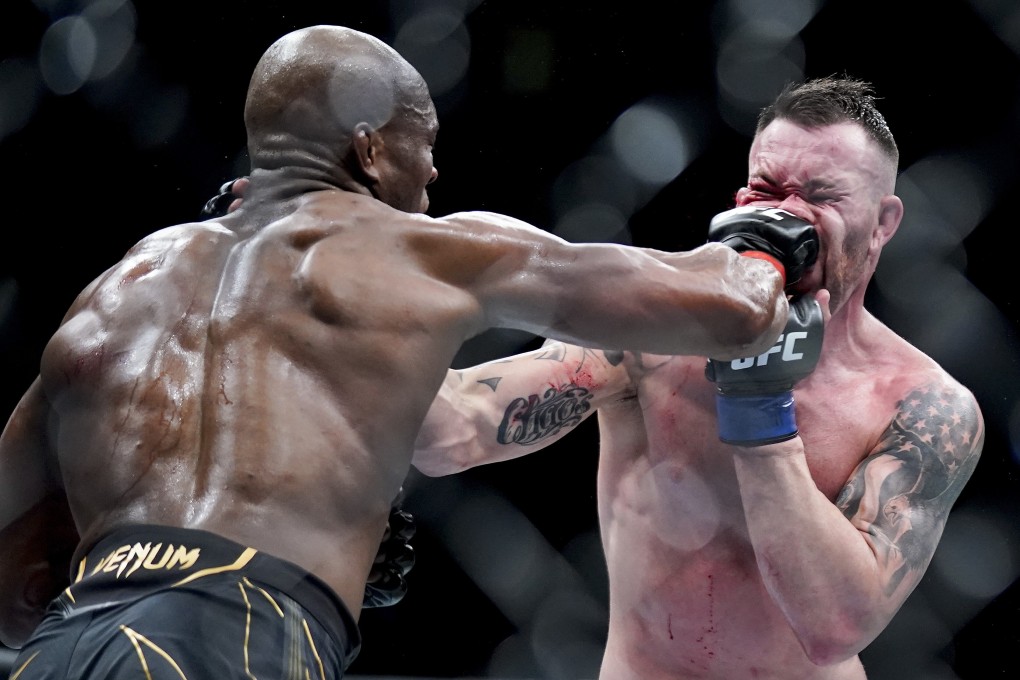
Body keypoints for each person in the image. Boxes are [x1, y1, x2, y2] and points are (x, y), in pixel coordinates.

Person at [0, 25, 797, 679]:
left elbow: (15, 592)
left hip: (64, 644)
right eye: (427, 143)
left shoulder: (115, 289)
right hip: (240, 630)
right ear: (371, 150)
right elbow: (732, 310)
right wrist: (770, 240)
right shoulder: (424, 250)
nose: (437, 170)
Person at [412, 76, 985, 679]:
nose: (785, 216)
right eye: (767, 189)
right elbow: (454, 431)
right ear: (739, 199)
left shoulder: (923, 406)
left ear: (883, 222)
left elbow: (834, 627)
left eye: (822, 196)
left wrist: (759, 407)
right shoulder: (655, 329)